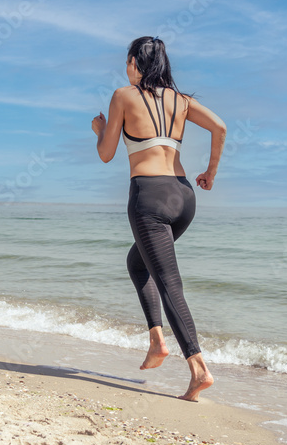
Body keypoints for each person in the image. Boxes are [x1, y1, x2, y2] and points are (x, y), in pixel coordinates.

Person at [92, 36, 227, 402]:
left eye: (128, 60)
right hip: (184, 196)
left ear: (137, 61)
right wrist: (210, 174)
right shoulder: (181, 101)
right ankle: (157, 342)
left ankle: (199, 370)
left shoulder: (124, 95)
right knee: (138, 263)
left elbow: (106, 154)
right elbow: (220, 128)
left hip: (149, 196)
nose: (126, 67)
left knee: (169, 283)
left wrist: (99, 130)